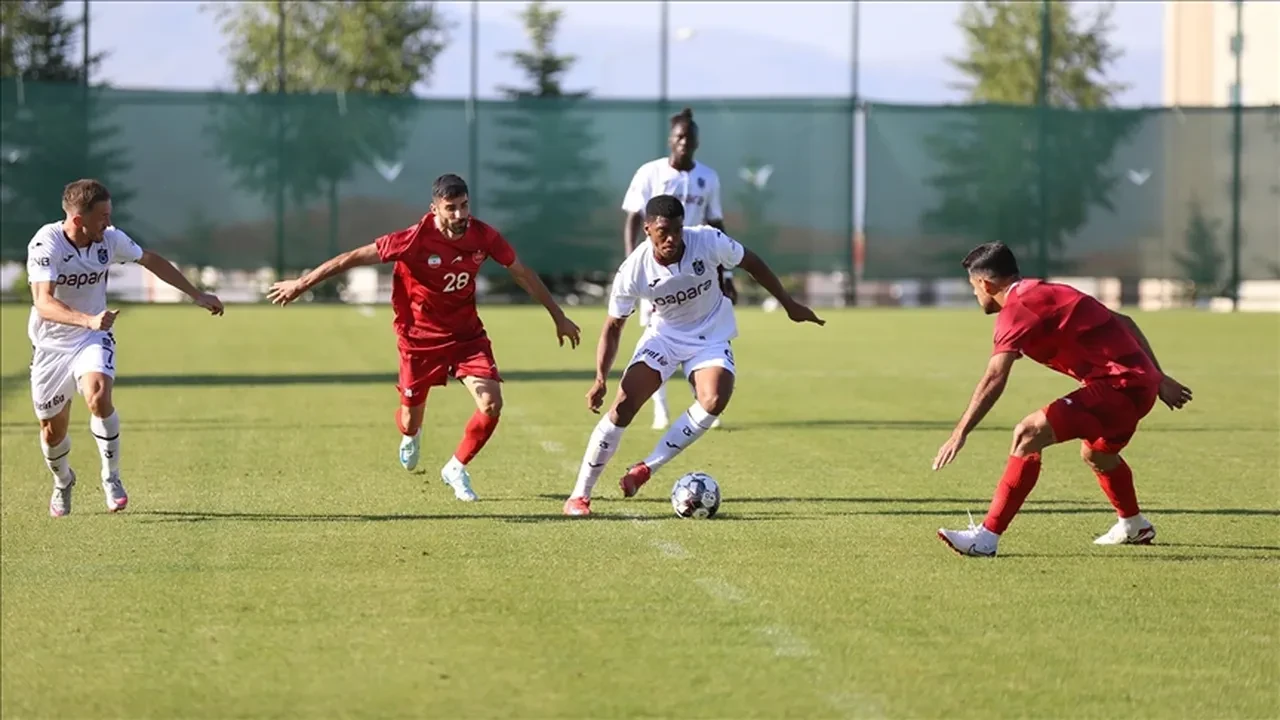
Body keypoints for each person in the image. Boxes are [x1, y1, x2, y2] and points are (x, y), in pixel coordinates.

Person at [267, 174, 581, 501]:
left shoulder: (483, 236)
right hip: (419, 339)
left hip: (466, 337)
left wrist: (558, 316)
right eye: (451, 208)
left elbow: (522, 273)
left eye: (464, 206)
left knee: (491, 403)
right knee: (408, 420)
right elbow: (351, 258)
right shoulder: (413, 239)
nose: (460, 215)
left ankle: (456, 467)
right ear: (434, 209)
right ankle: (411, 434)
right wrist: (301, 284)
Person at [562, 194, 824, 517]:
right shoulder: (632, 271)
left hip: (710, 335)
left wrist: (789, 304)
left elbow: (751, 261)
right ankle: (579, 496)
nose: (671, 238)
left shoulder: (707, 241)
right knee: (623, 406)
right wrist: (600, 376)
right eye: (662, 232)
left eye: (676, 230)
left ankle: (646, 469)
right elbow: (614, 326)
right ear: (647, 229)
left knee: (713, 400)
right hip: (664, 337)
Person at [932, 242, 1194, 557]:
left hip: (1119, 388)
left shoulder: (1016, 311)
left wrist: (959, 433)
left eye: (974, 288)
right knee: (1098, 456)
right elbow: (1124, 322)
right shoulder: (1046, 291)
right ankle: (1133, 523)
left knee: (1028, 433)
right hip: (1134, 389)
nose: (976, 295)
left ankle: (985, 538)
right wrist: (1158, 378)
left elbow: (994, 378)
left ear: (985, 283)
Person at [27, 179, 225, 517]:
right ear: (78, 220)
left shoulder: (111, 240)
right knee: (52, 431)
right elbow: (43, 303)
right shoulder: (47, 244)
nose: (109, 222)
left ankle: (111, 477)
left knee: (99, 394)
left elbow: (150, 260)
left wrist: (196, 294)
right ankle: (63, 481)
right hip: (51, 345)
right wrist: (87, 319)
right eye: (102, 216)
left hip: (92, 337)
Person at [621, 107, 735, 431]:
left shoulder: (708, 177)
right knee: (657, 335)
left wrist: (726, 274)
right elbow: (632, 218)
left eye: (690, 137)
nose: (684, 142)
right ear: (670, 140)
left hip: (698, 268)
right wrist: (634, 264)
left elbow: (716, 223)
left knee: (702, 335)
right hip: (657, 270)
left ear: (697, 142)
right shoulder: (650, 173)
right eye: (679, 136)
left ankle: (703, 404)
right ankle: (660, 408)